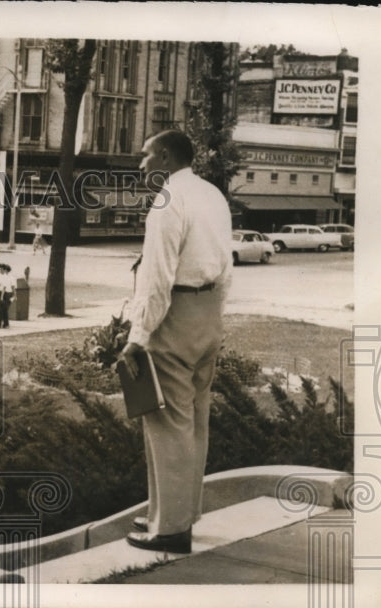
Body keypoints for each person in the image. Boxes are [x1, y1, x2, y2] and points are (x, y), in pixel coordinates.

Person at [120, 130, 233, 554]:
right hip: (208, 315)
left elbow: (157, 276)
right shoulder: (212, 195)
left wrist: (138, 336)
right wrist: (214, 315)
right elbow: (226, 266)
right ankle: (177, 512)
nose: (141, 164)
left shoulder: (168, 201)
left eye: (145, 155)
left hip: (174, 316)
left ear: (165, 157)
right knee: (194, 422)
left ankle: (170, 529)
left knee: (166, 422)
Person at [0, 263, 15, 328]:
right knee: (3, 309)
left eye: (2, 269)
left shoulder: (6, 277)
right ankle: (4, 324)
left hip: (4, 293)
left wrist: (1, 297)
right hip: (4, 293)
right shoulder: (3, 276)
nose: (1, 271)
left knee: (2, 309)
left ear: (5, 270)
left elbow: (4, 287)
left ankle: (1, 324)